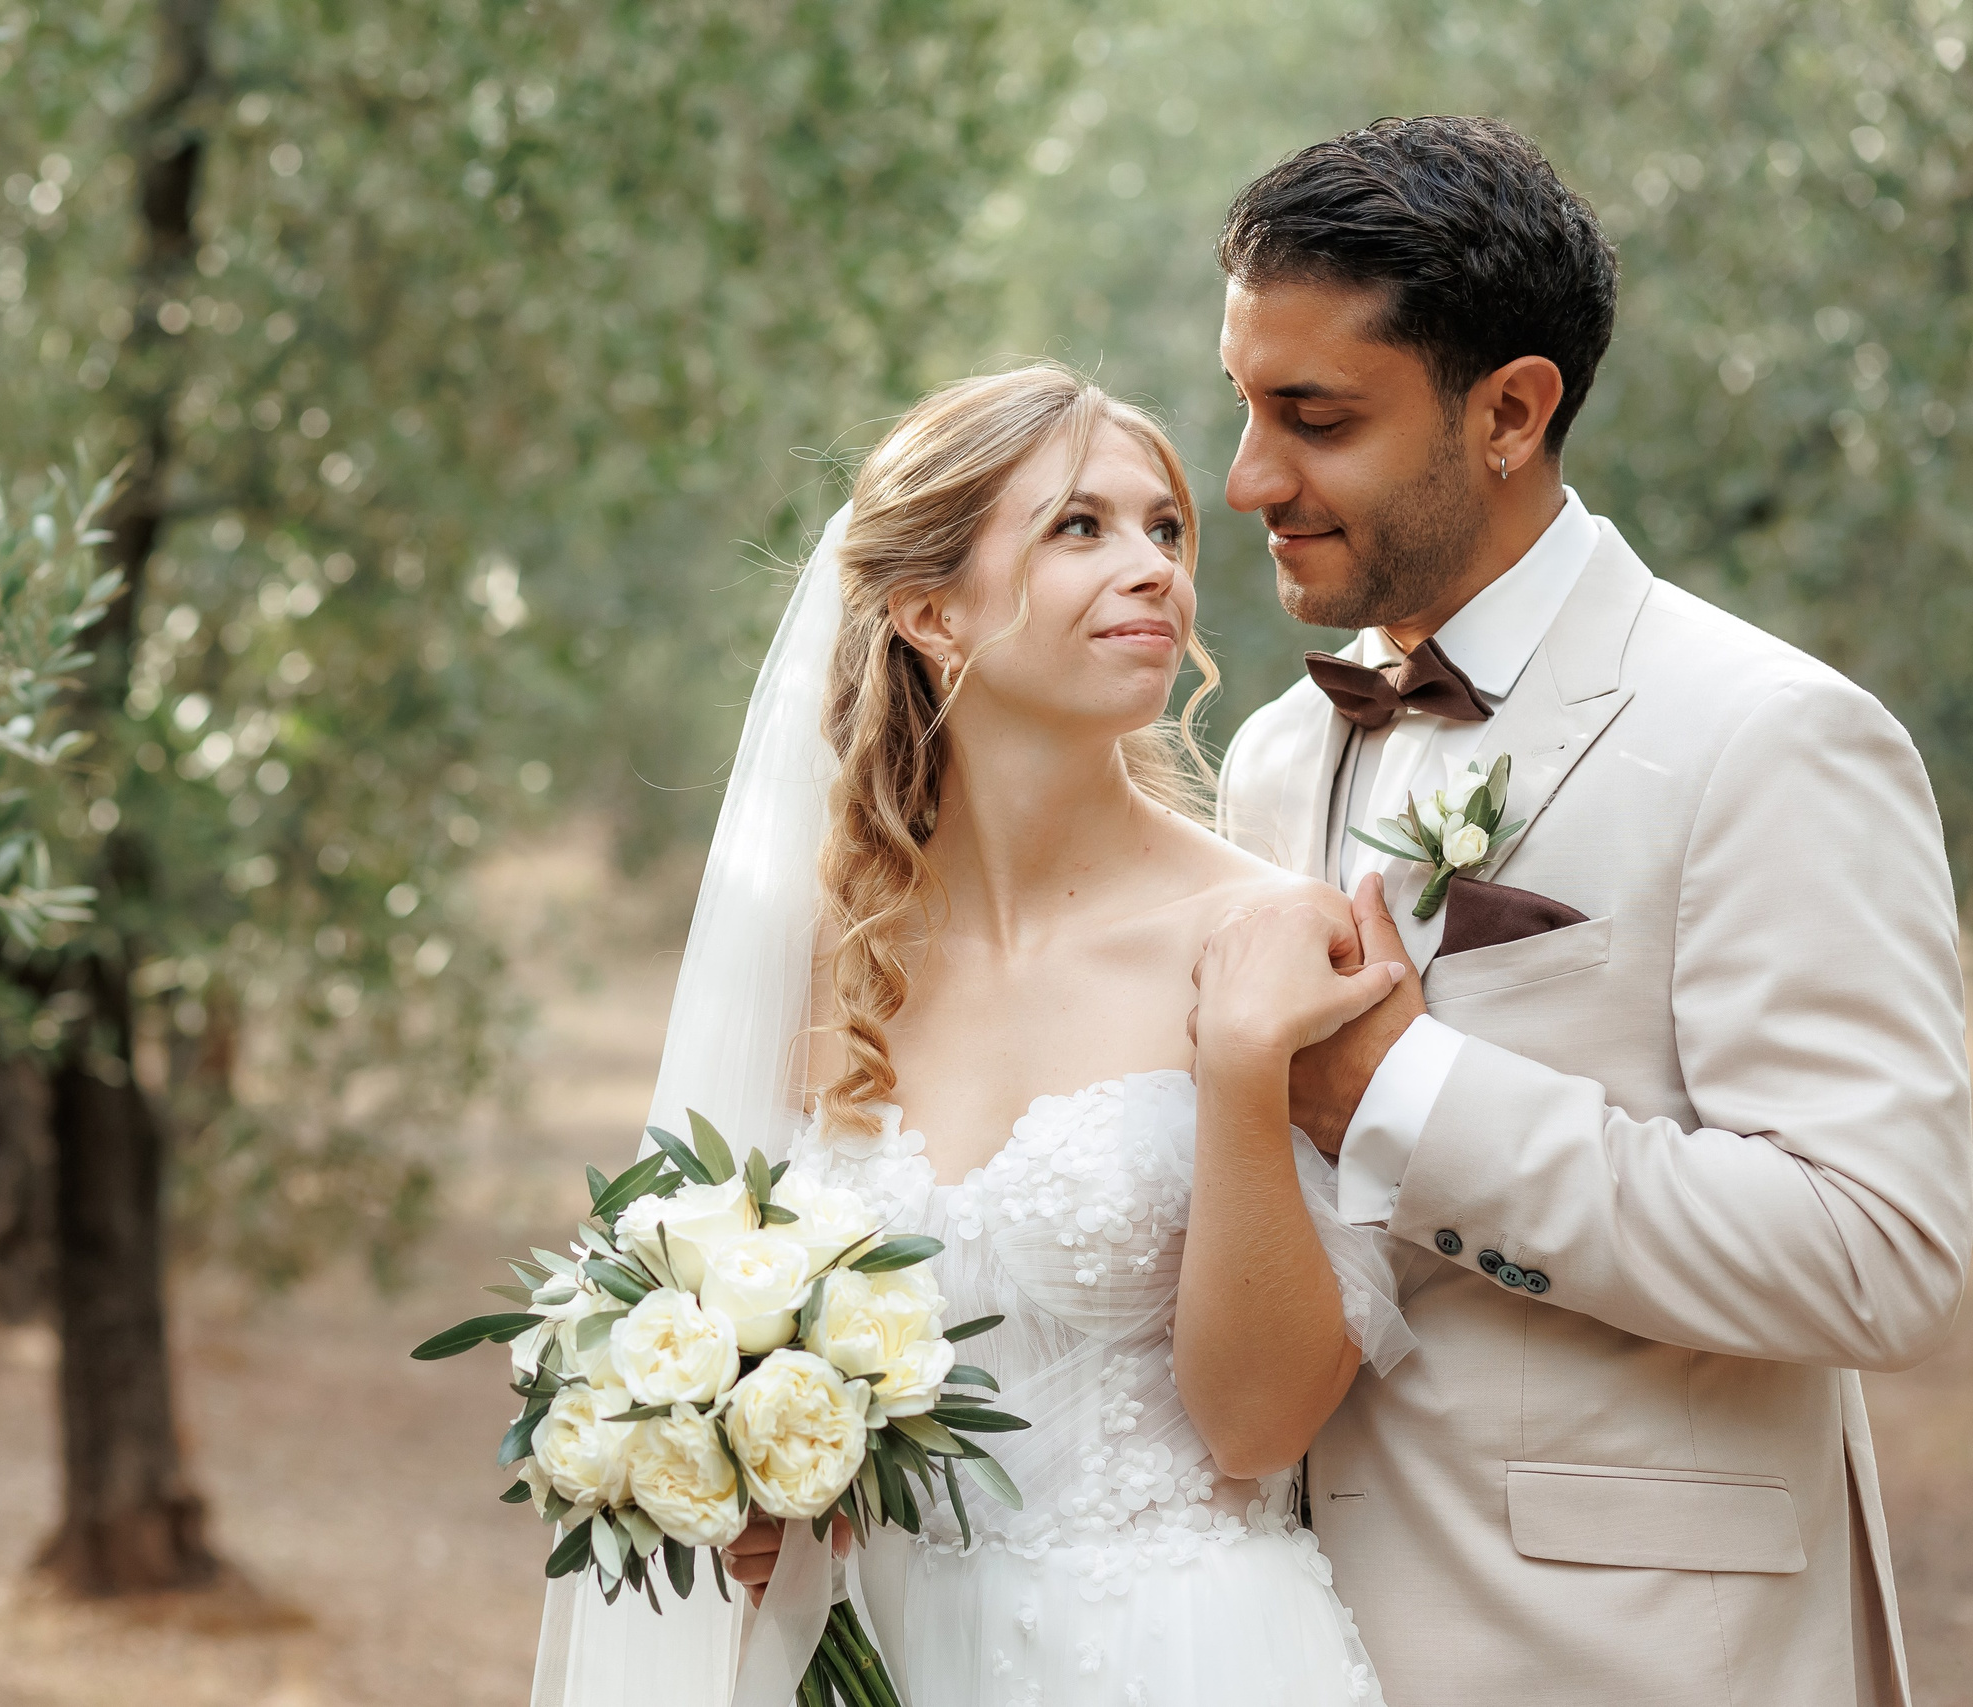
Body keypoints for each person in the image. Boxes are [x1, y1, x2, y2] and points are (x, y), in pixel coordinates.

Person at [1211, 116, 1972, 1707]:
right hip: (1270, 1638)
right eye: (1244, 409)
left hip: (1628, 1659)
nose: (1249, 481)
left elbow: (1883, 1255)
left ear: (1509, 412)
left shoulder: (1769, 735)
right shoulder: (1275, 756)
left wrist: (1405, 1097)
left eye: (1316, 417)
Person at [535, 363, 1423, 1707]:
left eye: (1164, 530)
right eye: (1081, 528)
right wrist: (751, 1486)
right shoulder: (820, 963)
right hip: (881, 1657)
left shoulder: (1266, 938)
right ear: (929, 612)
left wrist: (1241, 1069)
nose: (1153, 571)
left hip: (1182, 1656)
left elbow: (1260, 1428)